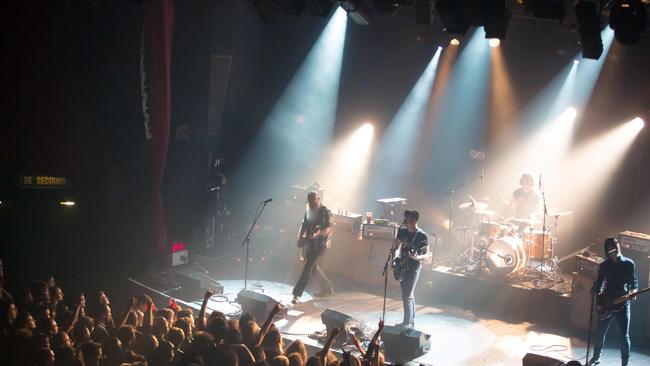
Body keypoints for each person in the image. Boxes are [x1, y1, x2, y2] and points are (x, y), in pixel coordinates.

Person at [589, 237, 638, 366]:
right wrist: (599, 302)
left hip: (623, 304)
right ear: (607, 251)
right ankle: (596, 357)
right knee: (600, 332)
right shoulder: (604, 265)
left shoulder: (629, 264)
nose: (615, 250)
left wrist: (633, 293)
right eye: (611, 249)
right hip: (608, 303)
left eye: (616, 247)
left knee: (624, 336)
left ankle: (625, 363)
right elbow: (599, 284)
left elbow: (634, 284)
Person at [291, 191, 334, 304]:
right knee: (312, 267)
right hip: (310, 243)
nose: (311, 203)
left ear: (318, 199)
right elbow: (304, 224)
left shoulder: (324, 211)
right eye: (309, 201)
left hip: (320, 244)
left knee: (307, 268)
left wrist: (317, 233)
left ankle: (296, 294)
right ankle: (327, 287)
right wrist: (300, 237)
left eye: (313, 200)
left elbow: (328, 228)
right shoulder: (308, 209)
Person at [393, 209, 428, 328]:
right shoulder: (402, 231)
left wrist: (416, 257)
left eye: (409, 218)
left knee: (406, 295)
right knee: (409, 293)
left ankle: (406, 322)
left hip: (414, 267)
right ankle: (411, 321)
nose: (407, 221)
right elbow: (396, 246)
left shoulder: (422, 235)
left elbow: (426, 254)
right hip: (401, 266)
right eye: (406, 218)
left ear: (415, 220)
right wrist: (394, 258)